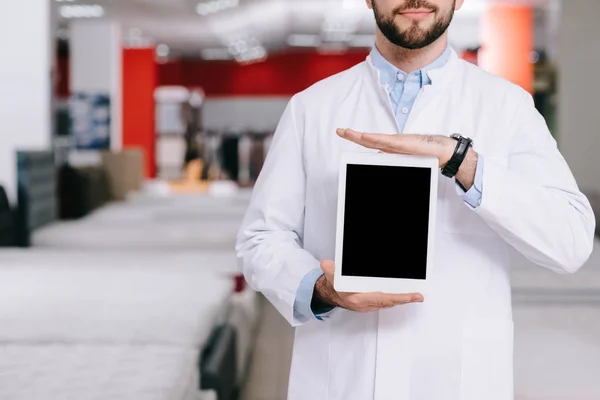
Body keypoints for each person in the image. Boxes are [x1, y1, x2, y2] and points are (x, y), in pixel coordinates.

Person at [236, 0, 596, 399]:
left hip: (457, 380)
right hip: (341, 377)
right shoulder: (312, 109)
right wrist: (321, 289)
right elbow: (261, 238)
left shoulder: (506, 107)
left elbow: (571, 241)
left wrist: (464, 163)